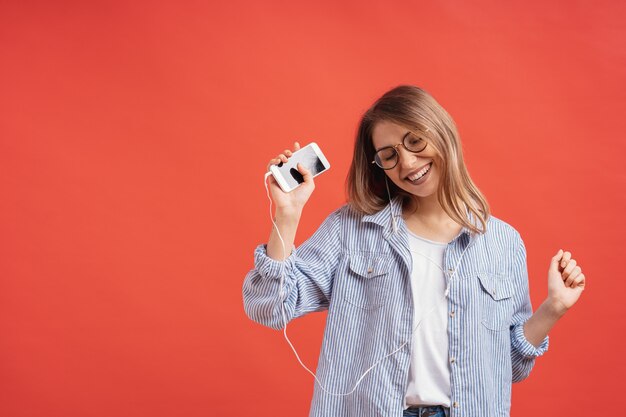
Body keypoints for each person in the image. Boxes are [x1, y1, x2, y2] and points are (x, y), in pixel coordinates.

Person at [242, 85, 585, 417]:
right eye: (389, 156)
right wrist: (287, 216)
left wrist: (553, 309)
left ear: (441, 133)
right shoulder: (351, 229)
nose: (407, 163)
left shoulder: (503, 243)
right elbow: (270, 307)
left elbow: (505, 368)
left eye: (415, 141)